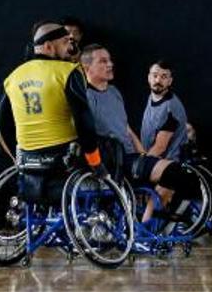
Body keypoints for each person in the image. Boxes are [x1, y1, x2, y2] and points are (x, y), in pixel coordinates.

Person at [81, 44, 198, 218]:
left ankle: (154, 227)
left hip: (132, 156)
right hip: (114, 159)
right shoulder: (86, 97)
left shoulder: (114, 92)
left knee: (185, 177)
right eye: (103, 61)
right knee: (177, 174)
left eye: (110, 60)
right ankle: (148, 226)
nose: (110, 64)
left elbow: (125, 128)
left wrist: (143, 155)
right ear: (87, 67)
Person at [0, 20, 103, 176]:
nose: (70, 48)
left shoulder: (13, 77)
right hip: (65, 160)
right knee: (112, 149)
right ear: (48, 47)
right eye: (65, 42)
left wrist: (18, 157)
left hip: (29, 162)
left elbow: (3, 126)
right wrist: (96, 164)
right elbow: (84, 121)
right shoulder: (68, 72)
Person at [140, 60, 189, 161]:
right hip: (152, 157)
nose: (158, 80)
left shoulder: (171, 108)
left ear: (170, 81)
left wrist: (141, 164)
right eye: (155, 75)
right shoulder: (152, 97)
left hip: (167, 165)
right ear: (149, 78)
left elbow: (160, 147)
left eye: (164, 77)